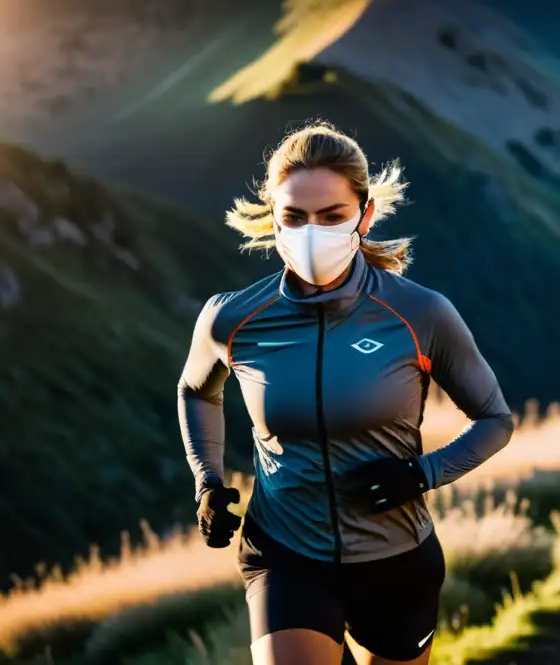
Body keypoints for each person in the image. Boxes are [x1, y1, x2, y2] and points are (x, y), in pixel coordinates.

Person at [177, 121, 515, 665]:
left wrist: (420, 475)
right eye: (294, 217)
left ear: (364, 215)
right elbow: (196, 391)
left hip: (396, 558)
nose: (312, 231)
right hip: (284, 553)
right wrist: (208, 481)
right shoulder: (233, 317)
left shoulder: (420, 313)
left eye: (332, 216)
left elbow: (495, 420)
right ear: (274, 218)